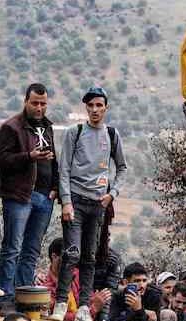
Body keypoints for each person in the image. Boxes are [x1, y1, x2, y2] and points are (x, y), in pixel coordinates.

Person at [57, 86, 126, 308]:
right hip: (76, 200)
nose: (95, 110)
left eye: (99, 105)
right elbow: (64, 169)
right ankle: (60, 302)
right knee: (72, 254)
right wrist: (66, 202)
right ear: (86, 107)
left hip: (98, 203)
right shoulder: (75, 132)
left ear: (106, 107)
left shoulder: (112, 135)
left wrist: (112, 194)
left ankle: (84, 306)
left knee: (90, 258)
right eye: (91, 105)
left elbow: (122, 168)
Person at [0, 84, 58, 296]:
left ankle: (24, 296)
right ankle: (5, 295)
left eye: (43, 104)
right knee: (12, 248)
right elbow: (3, 161)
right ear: (25, 102)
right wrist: (29, 156)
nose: (39, 108)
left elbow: (55, 159)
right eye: (35, 103)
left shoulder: (48, 127)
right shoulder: (11, 127)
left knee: (31, 250)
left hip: (45, 196)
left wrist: (55, 187)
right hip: (20, 196)